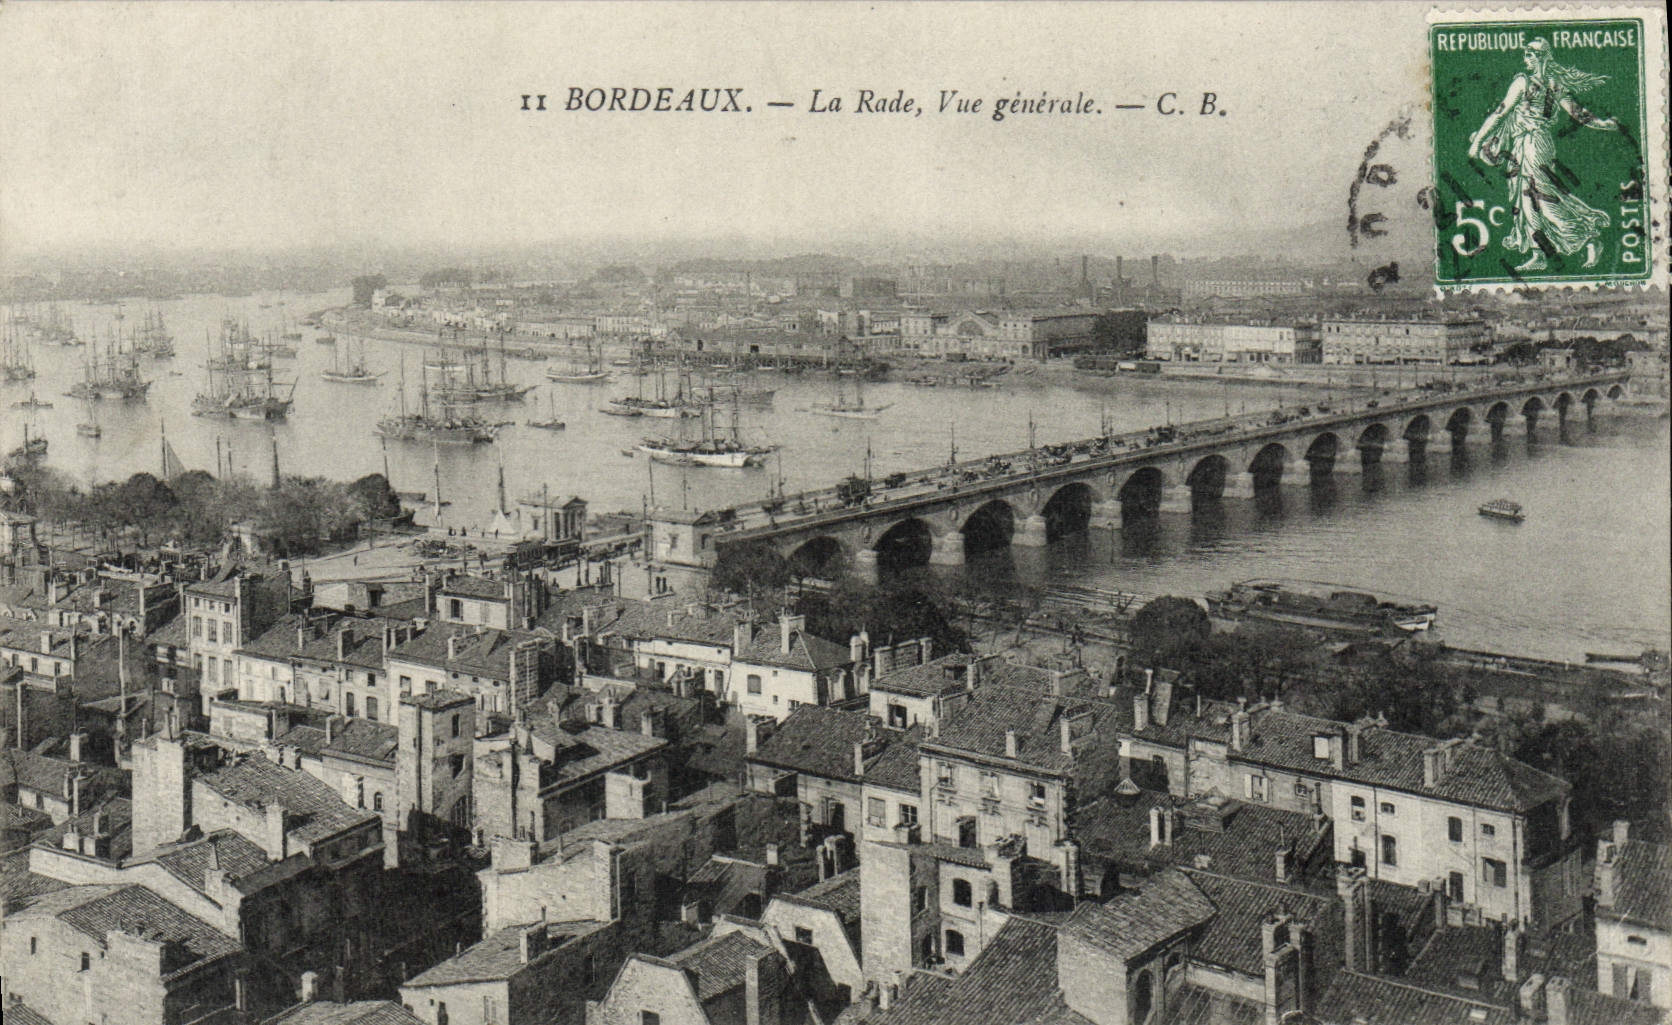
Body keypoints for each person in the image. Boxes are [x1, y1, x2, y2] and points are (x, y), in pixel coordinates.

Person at [1468, 38, 1620, 271]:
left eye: (1529, 55)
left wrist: (1477, 143)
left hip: (1533, 145)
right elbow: (1579, 114)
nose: (1525, 59)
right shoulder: (1553, 83)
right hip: (1527, 144)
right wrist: (1603, 124)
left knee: (1543, 198)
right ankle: (1539, 253)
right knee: (1527, 199)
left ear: (1540, 57)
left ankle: (1589, 237)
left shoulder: (1524, 82)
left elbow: (1500, 113)